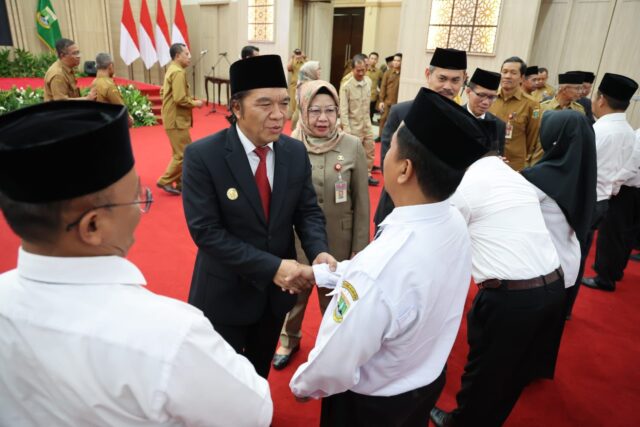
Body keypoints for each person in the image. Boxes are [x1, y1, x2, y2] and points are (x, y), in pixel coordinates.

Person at [0, 101, 273, 427]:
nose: (139, 208)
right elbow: (254, 412)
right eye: (136, 196)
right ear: (92, 226)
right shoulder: (170, 336)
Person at [289, 88, 491, 427]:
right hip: (424, 387)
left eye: (391, 146)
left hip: (371, 408)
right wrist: (324, 274)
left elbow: (336, 359)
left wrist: (303, 385)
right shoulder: (454, 221)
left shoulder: (380, 268)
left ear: (404, 169)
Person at [182, 54, 334, 379]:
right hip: (225, 296)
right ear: (236, 108)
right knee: (219, 381)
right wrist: (273, 267)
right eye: (265, 104)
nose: (278, 115)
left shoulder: (293, 152)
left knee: (258, 375)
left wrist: (318, 249)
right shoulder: (203, 156)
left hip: (275, 299)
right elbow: (207, 233)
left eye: (283, 103)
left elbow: (307, 211)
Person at [431, 109, 564, 427]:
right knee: (516, 372)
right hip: (555, 287)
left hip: (511, 298)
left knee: (484, 372)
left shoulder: (464, 184)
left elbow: (443, 241)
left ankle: (460, 423)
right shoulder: (514, 177)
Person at [272, 80, 370, 371]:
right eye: (315, 111)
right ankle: (288, 338)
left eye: (330, 110)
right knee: (294, 297)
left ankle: (330, 345)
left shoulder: (352, 146)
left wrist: (359, 250)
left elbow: (362, 203)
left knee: (334, 302)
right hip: (297, 241)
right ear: (303, 110)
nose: (323, 118)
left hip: (339, 240)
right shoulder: (286, 146)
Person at [522, 109, 596, 339]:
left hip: (540, 270)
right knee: (547, 333)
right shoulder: (583, 172)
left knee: (526, 334)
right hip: (568, 264)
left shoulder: (539, 178)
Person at [373, 47, 467, 228]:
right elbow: (388, 164)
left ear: (464, 79)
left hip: (439, 215)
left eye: (455, 80)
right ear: (428, 75)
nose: (448, 86)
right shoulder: (401, 112)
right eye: (442, 78)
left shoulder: (466, 124)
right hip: (396, 208)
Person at [580, 73, 639, 293]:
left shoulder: (599, 131)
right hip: (606, 197)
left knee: (577, 251)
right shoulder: (628, 130)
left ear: (601, 99)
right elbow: (629, 166)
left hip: (589, 199)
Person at [156, 43, 203, 196]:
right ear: (177, 56)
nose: (189, 57)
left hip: (173, 118)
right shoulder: (178, 73)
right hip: (176, 119)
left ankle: (182, 183)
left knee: (183, 152)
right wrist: (195, 103)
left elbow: (164, 92)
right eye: (186, 54)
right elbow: (179, 98)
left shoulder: (172, 69)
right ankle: (165, 180)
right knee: (183, 154)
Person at [488, 56, 541, 171]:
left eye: (513, 73)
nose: (507, 76)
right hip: (488, 161)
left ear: (522, 78)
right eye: (504, 72)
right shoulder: (489, 98)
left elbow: (532, 138)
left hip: (514, 165)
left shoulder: (531, 104)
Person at [340, 55, 378, 186]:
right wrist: (347, 130)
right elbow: (343, 111)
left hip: (366, 124)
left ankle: (367, 174)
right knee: (353, 155)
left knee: (370, 150)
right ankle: (352, 176)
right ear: (352, 69)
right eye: (358, 70)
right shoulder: (346, 85)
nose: (361, 73)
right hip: (353, 126)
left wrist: (369, 125)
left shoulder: (368, 82)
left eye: (363, 69)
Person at [464, 68, 506, 155]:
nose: (486, 102)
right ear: (468, 91)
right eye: (481, 95)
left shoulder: (499, 125)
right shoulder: (453, 116)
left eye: (491, 97)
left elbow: (498, 154)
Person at [92, 52, 133, 127]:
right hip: (110, 124)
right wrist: (129, 118)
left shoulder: (94, 82)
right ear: (110, 66)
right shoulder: (108, 85)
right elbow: (120, 107)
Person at [291, 60, 321, 130]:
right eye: (317, 69)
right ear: (310, 71)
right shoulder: (306, 86)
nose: (320, 71)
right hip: (303, 119)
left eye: (320, 69)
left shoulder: (311, 83)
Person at [377, 53, 402, 139]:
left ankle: (392, 139)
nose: (396, 62)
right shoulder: (387, 73)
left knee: (395, 122)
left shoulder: (403, 74)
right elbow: (383, 87)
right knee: (383, 119)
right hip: (387, 101)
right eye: (394, 60)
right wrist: (381, 101)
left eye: (398, 60)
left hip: (398, 102)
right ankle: (380, 136)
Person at [287, 48, 307, 118]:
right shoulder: (293, 60)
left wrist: (304, 57)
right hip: (294, 86)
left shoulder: (305, 61)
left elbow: (310, 67)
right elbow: (288, 68)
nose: (298, 55)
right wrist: (292, 57)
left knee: (302, 103)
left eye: (299, 53)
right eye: (297, 53)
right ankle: (294, 118)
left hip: (303, 85)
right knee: (293, 103)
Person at [366, 52, 384, 122]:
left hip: (373, 96)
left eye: (375, 59)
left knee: (370, 115)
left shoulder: (379, 72)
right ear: (368, 59)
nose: (373, 60)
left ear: (377, 61)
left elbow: (383, 83)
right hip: (362, 95)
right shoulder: (364, 70)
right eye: (372, 58)